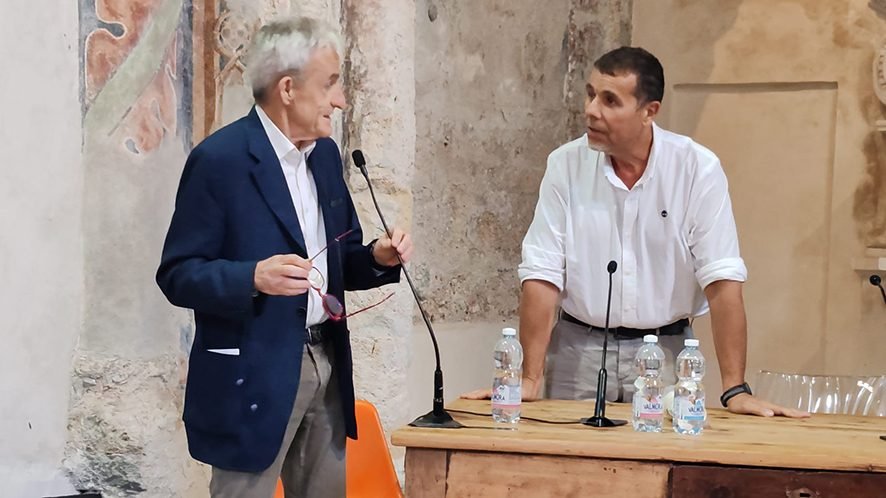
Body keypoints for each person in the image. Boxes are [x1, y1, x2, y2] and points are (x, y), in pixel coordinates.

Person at [464, 46, 807, 419]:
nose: (592, 110)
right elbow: (541, 274)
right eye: (591, 94)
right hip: (579, 351)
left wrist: (734, 389)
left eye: (610, 100)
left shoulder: (696, 169)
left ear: (649, 111)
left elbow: (722, 280)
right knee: (570, 452)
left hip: (666, 352)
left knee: (665, 452)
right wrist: (529, 378)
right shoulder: (566, 165)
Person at [156, 17, 412, 498]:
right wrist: (252, 277)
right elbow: (177, 274)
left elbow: (339, 261)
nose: (340, 100)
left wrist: (378, 257)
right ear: (288, 89)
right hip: (251, 374)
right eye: (330, 84)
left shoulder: (325, 157)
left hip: (326, 364)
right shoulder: (220, 161)